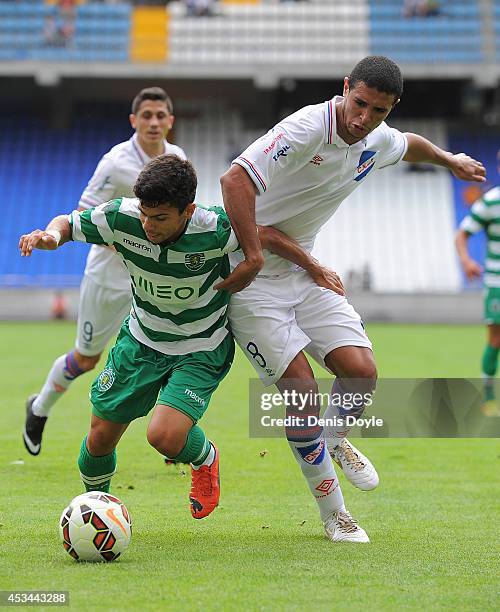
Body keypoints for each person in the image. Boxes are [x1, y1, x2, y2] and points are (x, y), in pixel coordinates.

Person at [219, 55, 486, 542]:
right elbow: (234, 181)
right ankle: (334, 516)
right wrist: (254, 256)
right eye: (359, 104)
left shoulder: (375, 138)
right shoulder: (305, 129)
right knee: (302, 394)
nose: (363, 119)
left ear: (391, 108)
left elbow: (409, 145)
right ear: (345, 88)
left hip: (304, 273)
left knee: (362, 373)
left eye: (378, 111)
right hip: (254, 281)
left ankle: (334, 439)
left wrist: (450, 162)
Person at [20, 154, 339, 517]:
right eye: (144, 213)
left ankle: (206, 458)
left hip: (200, 349)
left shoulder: (216, 228)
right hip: (141, 342)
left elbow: (267, 236)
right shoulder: (120, 217)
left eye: (159, 218)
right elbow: (69, 222)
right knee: (99, 438)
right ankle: (98, 511)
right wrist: (50, 235)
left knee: (164, 437)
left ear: (187, 211)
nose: (147, 225)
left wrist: (314, 267)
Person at [23, 87, 186, 457]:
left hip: (153, 280)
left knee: (168, 347)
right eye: (147, 115)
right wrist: (131, 242)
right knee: (86, 359)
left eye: (161, 115)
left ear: (170, 121)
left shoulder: (176, 158)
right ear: (134, 121)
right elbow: (84, 214)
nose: (154, 122)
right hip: (109, 278)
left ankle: (173, 434)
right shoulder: (115, 162)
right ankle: (39, 407)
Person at [455, 149, 500, 417]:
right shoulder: (491, 202)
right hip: (497, 281)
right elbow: (461, 234)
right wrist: (466, 261)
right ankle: (489, 396)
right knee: (495, 339)